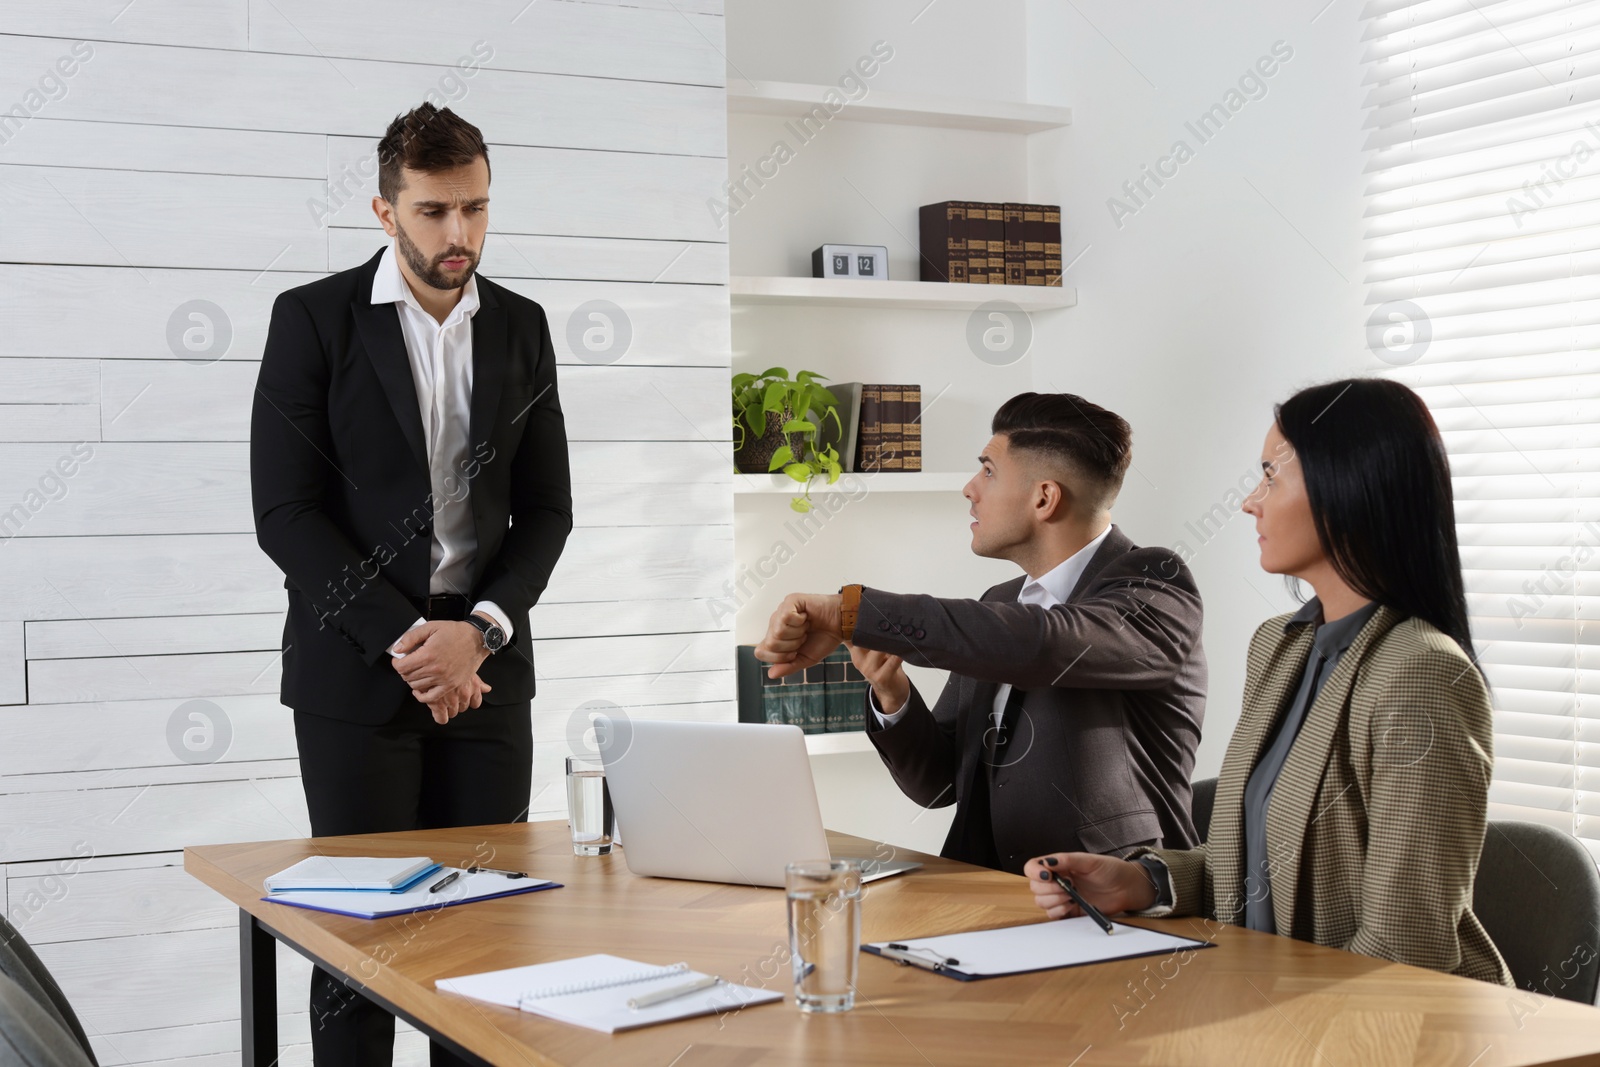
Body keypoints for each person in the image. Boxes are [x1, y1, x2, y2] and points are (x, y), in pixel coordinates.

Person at [250, 102, 574, 1065]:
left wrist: (476, 630)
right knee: (362, 942)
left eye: (475, 209)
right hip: (357, 672)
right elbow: (286, 513)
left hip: (485, 670)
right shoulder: (312, 319)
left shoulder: (522, 326)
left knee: (484, 939)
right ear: (385, 211)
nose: (459, 234)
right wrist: (409, 639)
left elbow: (547, 510)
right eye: (434, 211)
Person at [1024, 378, 1512, 986]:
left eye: (1271, 476)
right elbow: (1264, 868)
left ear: (1347, 488)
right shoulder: (1281, 644)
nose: (1249, 501)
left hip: (1388, 1030)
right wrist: (1143, 880)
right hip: (1264, 998)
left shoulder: (1422, 675)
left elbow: (1403, 947)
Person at [755, 392, 1207, 874]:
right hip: (986, 895)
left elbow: (1043, 643)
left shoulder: (1154, 586)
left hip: (1119, 910)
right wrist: (893, 693)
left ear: (1044, 498)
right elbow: (940, 786)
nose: (970, 488)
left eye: (988, 470)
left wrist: (852, 612)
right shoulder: (1000, 603)